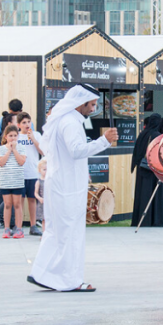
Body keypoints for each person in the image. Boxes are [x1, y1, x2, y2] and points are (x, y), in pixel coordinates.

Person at [27, 84, 116, 292]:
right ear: (80, 103)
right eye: (91, 105)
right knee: (70, 233)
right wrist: (104, 140)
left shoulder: (68, 120)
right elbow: (76, 151)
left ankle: (43, 274)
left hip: (62, 184)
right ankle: (70, 281)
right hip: (66, 187)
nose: (93, 109)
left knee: (57, 232)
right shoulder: (70, 122)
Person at [130, 114, 163, 227]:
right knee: (153, 196)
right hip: (153, 171)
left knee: (142, 195)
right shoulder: (156, 135)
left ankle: (141, 220)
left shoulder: (142, 134)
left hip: (141, 169)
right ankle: (154, 220)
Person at [15, 113, 44, 236]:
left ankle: (33, 226)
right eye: (24, 122)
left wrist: (33, 139)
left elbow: (42, 151)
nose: (27, 125)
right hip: (20, 173)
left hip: (33, 173)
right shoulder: (16, 136)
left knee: (32, 200)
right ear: (19, 125)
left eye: (29, 122)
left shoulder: (36, 134)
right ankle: (19, 227)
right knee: (19, 201)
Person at [0, 123, 26, 238]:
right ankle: (6, 228)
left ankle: (19, 229)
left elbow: (21, 161)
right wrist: (9, 150)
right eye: (10, 135)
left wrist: (14, 150)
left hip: (17, 181)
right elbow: (1, 163)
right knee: (7, 205)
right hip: (6, 181)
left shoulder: (22, 147)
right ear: (5, 137)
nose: (13, 138)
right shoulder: (1, 149)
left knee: (17, 204)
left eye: (15, 135)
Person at [35, 158, 46, 231]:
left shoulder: (50, 181)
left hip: (50, 203)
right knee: (44, 220)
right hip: (42, 203)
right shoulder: (38, 181)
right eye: (44, 170)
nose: (46, 171)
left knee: (50, 219)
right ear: (39, 170)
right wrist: (40, 198)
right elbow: (35, 193)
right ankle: (44, 233)